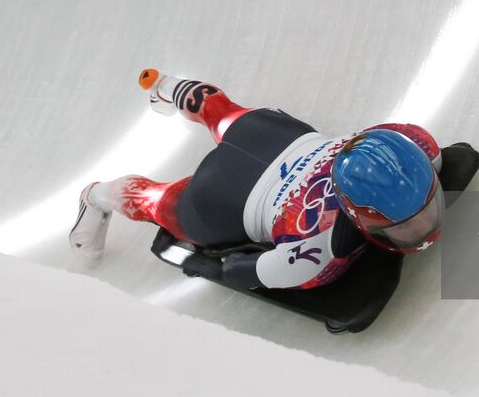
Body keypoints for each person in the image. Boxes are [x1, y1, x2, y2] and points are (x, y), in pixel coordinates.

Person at [70, 70, 445, 290]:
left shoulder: (413, 141)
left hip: (271, 133)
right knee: (156, 201)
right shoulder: (317, 254)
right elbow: (242, 272)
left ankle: (164, 84)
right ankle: (96, 197)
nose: (424, 228)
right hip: (222, 200)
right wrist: (206, 268)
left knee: (220, 109)